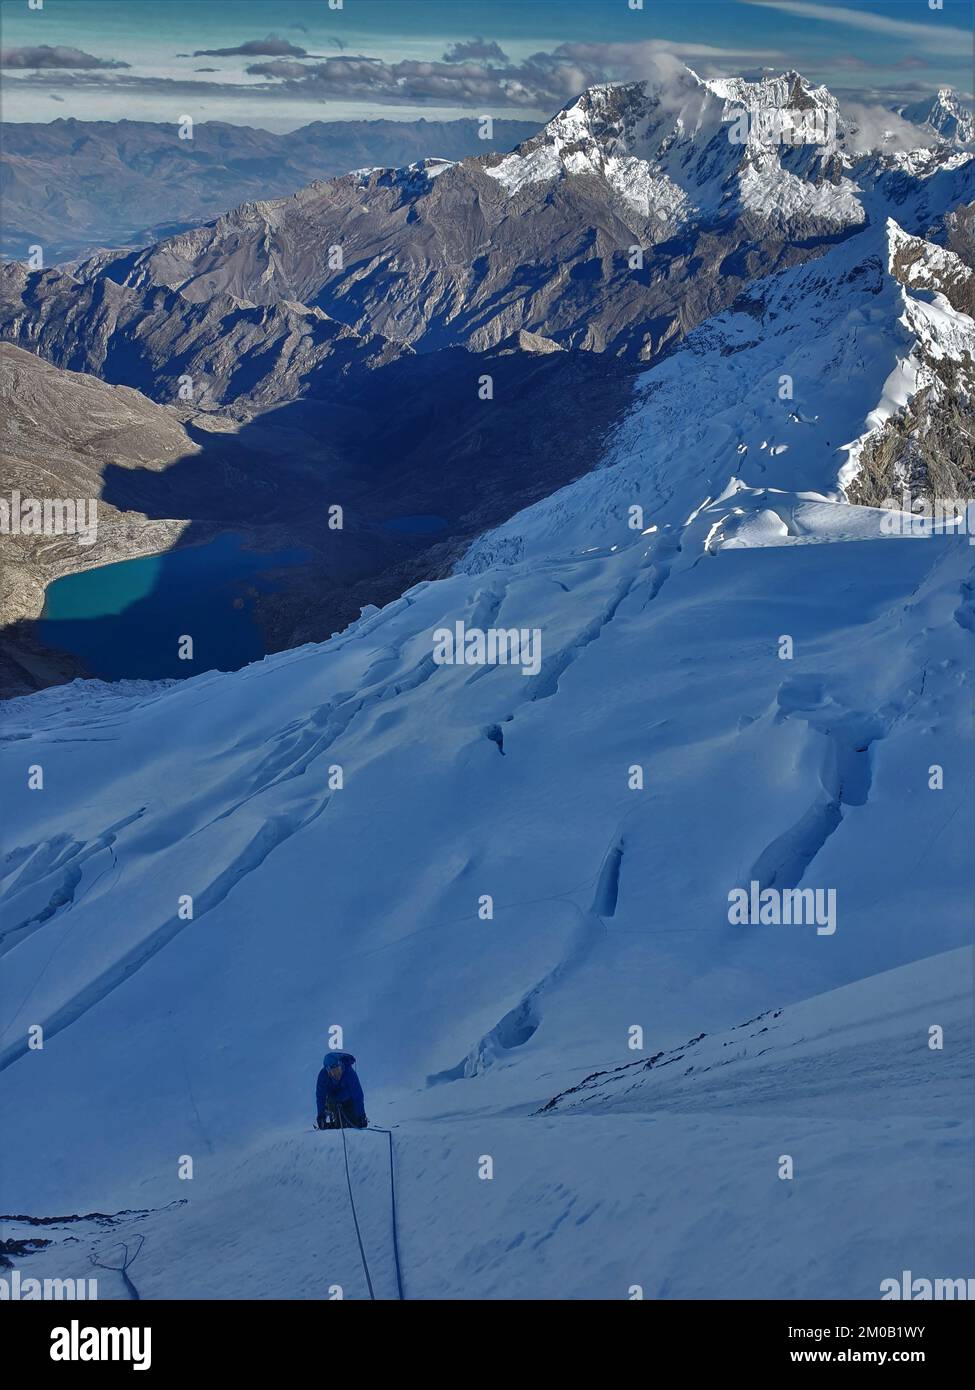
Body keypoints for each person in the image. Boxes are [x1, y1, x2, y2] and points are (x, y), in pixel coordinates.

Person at [316, 1051, 368, 1129]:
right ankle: (335, 1123)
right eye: (334, 1072)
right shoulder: (323, 1076)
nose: (338, 1074)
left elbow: (357, 1095)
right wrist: (321, 1116)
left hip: (348, 1100)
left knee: (354, 1123)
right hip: (332, 1101)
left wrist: (361, 1115)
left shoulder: (349, 1072)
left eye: (339, 1070)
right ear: (328, 1071)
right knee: (340, 1123)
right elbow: (320, 1097)